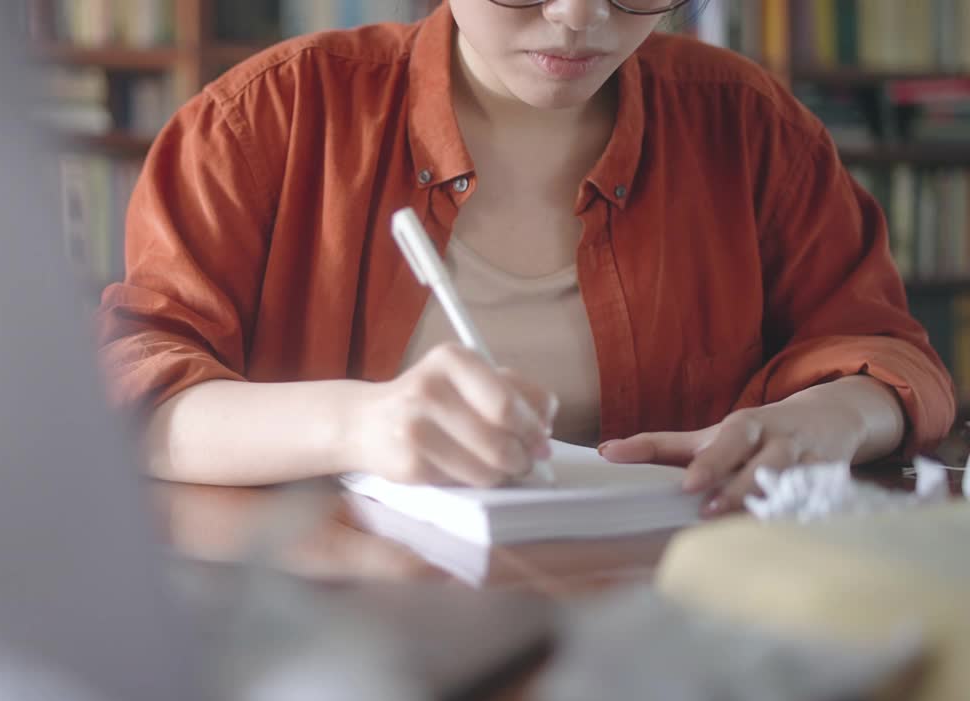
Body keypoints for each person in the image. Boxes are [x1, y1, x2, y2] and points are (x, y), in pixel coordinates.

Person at [96, 0, 954, 517]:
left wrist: (821, 424)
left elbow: (886, 355)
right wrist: (361, 425)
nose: (579, 18)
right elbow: (133, 390)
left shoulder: (749, 129)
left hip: (664, 625)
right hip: (341, 625)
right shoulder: (268, 122)